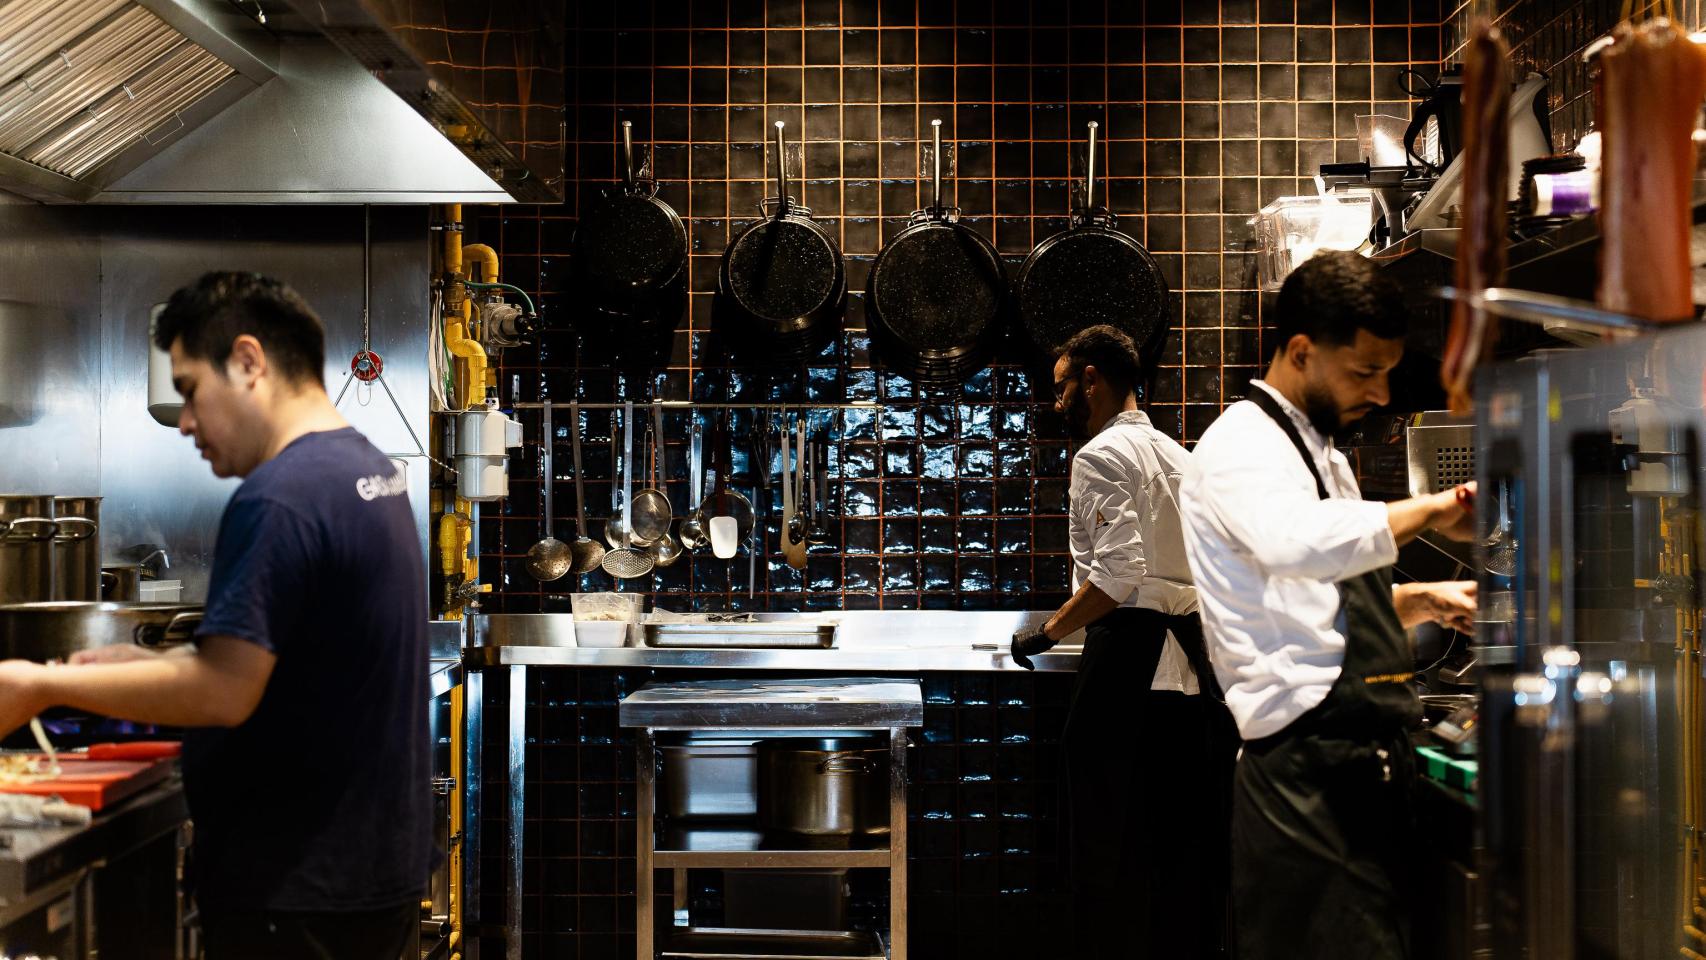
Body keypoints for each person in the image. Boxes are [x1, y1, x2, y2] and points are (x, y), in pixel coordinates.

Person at [0, 272, 429, 959]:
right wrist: (146, 667)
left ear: (250, 362)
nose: (187, 420)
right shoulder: (364, 470)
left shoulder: (280, 497)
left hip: (297, 890)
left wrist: (39, 684)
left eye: (191, 389)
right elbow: (281, 663)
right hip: (366, 876)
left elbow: (225, 692)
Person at [1179, 251, 1478, 960]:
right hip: (1303, 777)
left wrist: (1420, 601)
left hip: (1354, 764)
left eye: (1386, 372)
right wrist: (1432, 508)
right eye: (1364, 371)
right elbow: (1294, 546)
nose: (1379, 393)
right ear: (1303, 350)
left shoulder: (1318, 451)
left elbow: (1308, 601)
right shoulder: (1241, 445)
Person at [1011, 324, 1235, 958]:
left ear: (1092, 379)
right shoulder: (1178, 456)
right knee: (1180, 853)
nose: (1058, 405)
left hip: (1129, 674)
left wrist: (1044, 633)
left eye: (1062, 389)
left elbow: (1117, 575)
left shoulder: (1101, 456)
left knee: (1108, 850)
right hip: (1188, 676)